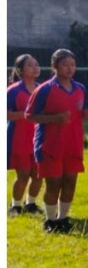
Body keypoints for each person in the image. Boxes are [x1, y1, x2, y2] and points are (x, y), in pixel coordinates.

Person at [26, 49, 88, 233]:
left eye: (72, 64)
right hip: (50, 145)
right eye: (65, 64)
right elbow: (30, 116)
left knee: (70, 182)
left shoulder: (80, 88)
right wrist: (55, 118)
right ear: (54, 66)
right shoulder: (45, 89)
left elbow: (82, 111)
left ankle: (63, 217)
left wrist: (86, 114)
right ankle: (50, 220)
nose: (70, 68)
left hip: (73, 145)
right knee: (53, 184)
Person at [7, 55, 43, 216]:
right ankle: (15, 206)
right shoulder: (13, 90)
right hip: (19, 138)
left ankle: (31, 203)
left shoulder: (42, 88)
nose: (35, 68)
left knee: (37, 174)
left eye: (36, 64)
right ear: (21, 71)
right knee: (23, 174)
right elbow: (7, 114)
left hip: (38, 138)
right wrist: (24, 114)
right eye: (30, 65)